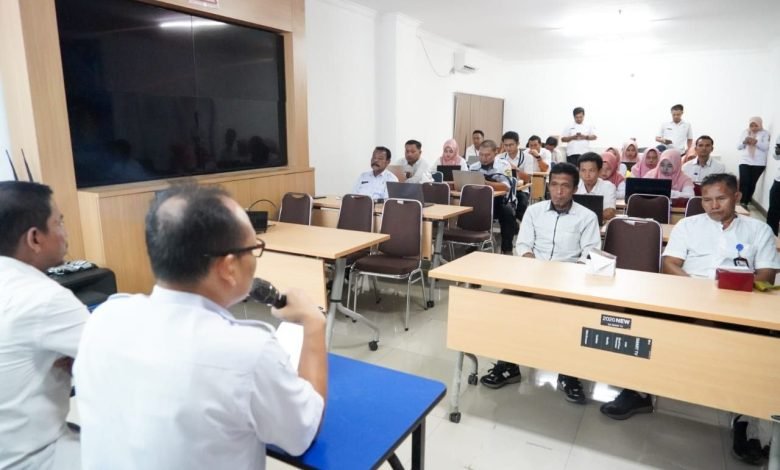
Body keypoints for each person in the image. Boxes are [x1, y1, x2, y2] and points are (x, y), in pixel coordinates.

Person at [74, 185, 327, 470]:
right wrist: (313, 324)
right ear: (228, 267)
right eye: (254, 249)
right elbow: (303, 432)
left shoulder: (104, 318)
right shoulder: (248, 352)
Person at [479, 163, 601, 405]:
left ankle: (569, 372)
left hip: (569, 281)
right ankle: (508, 364)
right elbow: (523, 244)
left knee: (573, 314)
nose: (559, 191)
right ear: (548, 186)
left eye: (565, 186)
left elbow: (589, 253)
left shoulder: (587, 217)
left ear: (575, 189)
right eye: (554, 185)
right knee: (504, 302)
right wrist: (533, 267)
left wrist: (564, 277)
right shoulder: (534, 212)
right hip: (532, 276)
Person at [0, 181, 89, 470]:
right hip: (33, 457)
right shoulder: (45, 299)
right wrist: (85, 365)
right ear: (35, 238)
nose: (65, 232)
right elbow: (120, 362)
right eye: (59, 222)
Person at [469, 140, 518, 254]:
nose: (483, 158)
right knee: (468, 210)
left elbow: (506, 187)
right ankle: (472, 243)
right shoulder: (473, 167)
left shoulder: (503, 165)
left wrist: (484, 183)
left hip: (500, 201)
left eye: (487, 155)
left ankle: (507, 248)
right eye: (481, 155)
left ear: (495, 153)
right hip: (480, 201)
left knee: (508, 212)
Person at [736, 116, 771, 210]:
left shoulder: (765, 133)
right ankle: (742, 202)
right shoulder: (745, 132)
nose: (754, 128)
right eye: (752, 125)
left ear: (760, 124)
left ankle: (746, 201)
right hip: (744, 161)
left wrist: (756, 142)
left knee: (752, 183)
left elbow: (765, 147)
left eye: (756, 125)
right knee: (744, 182)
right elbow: (738, 147)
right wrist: (744, 142)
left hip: (758, 163)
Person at [576, 152, 617, 222]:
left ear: (599, 171)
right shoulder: (574, 185)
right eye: (583, 170)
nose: (587, 175)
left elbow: (610, 212)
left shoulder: (608, 187)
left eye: (591, 170)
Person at [767, 137, 780, 236]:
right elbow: (776, 156)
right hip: (779, 180)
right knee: (773, 210)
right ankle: (771, 236)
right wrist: (777, 150)